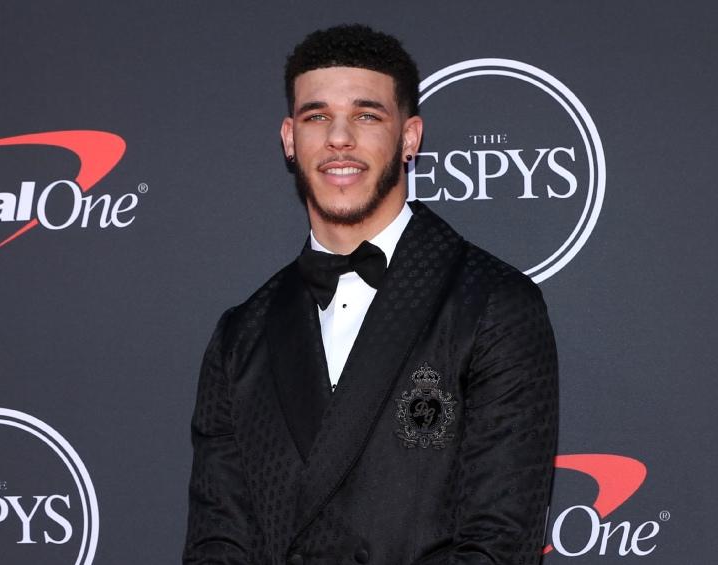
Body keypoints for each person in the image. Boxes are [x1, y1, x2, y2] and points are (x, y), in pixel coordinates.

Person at [184, 24, 559, 565]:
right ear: (290, 139)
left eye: (366, 115)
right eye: (317, 117)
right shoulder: (241, 335)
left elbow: (499, 542)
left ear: (410, 137)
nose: (340, 138)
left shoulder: (494, 305)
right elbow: (217, 543)